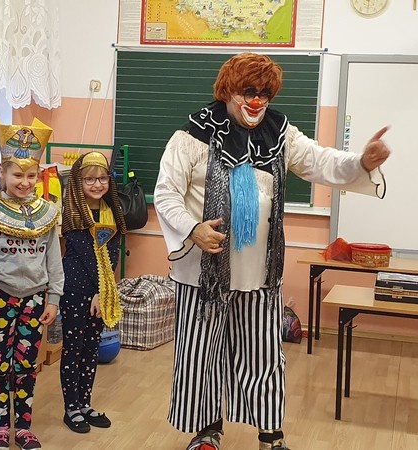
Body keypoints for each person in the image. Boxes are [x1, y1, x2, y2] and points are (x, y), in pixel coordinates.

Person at [153, 53, 391, 450]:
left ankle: (271, 435)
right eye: (248, 91)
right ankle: (207, 432)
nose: (257, 101)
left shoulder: (280, 133)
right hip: (202, 275)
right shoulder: (194, 134)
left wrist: (361, 161)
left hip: (261, 274)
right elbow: (165, 193)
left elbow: (320, 161)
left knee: (263, 355)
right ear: (228, 90)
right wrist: (193, 230)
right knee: (201, 355)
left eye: (265, 93)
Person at [0, 118, 62, 450]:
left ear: (39, 174)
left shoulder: (48, 213)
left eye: (31, 175)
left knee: (26, 365)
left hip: (35, 299)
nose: (24, 182)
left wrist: (54, 298)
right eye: (17, 175)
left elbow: (54, 259)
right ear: (2, 172)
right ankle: (0, 428)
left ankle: (23, 427)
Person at [58, 152, 127, 434]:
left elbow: (112, 253)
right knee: (73, 349)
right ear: (79, 182)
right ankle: (71, 408)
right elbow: (87, 256)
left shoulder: (112, 212)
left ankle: (84, 403)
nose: (97, 184)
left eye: (102, 178)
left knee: (91, 348)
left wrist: (104, 292)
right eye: (89, 179)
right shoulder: (74, 213)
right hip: (76, 289)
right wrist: (99, 291)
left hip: (101, 291)